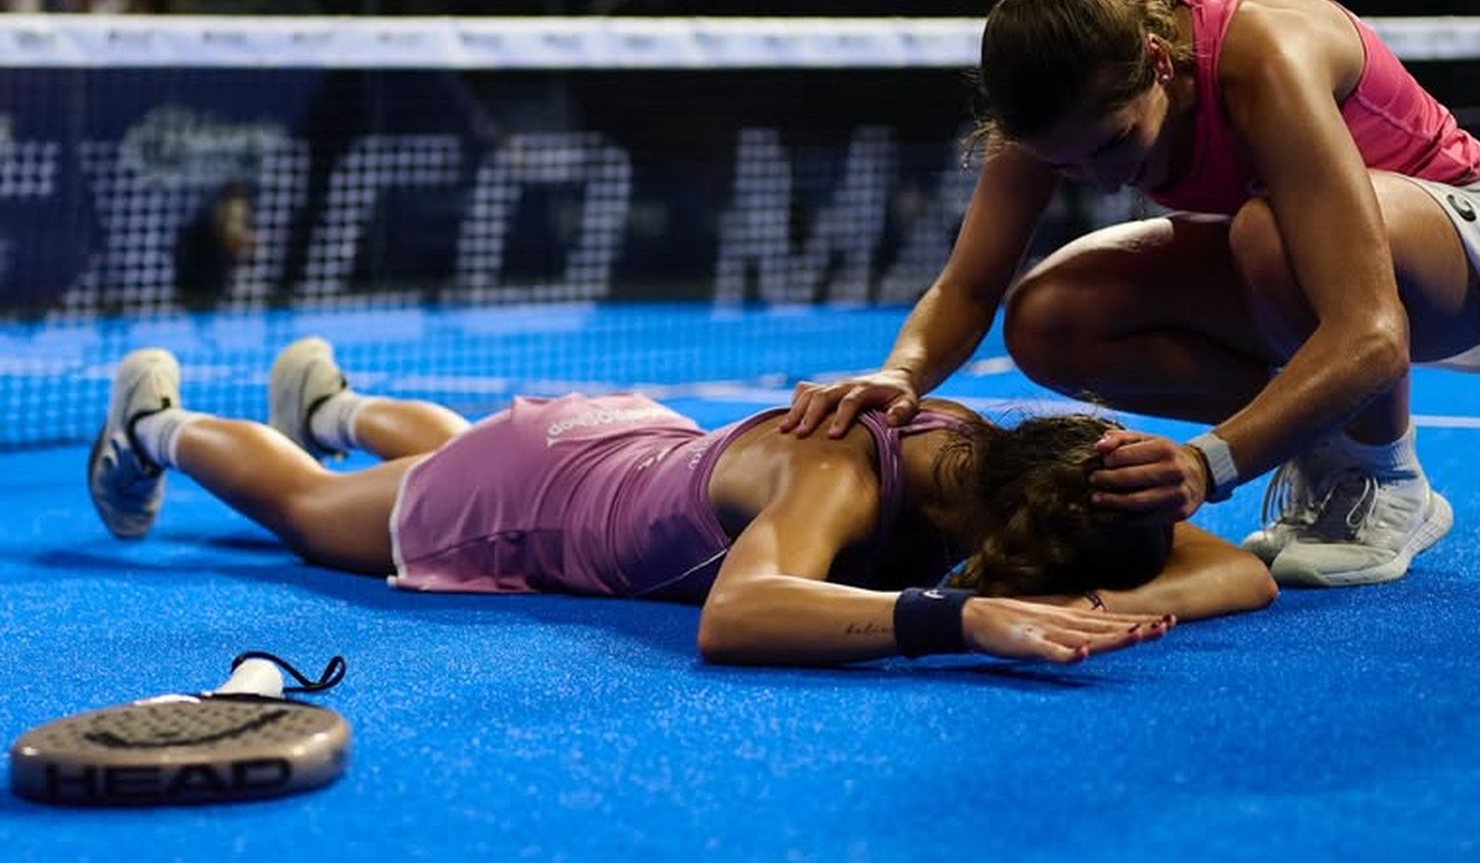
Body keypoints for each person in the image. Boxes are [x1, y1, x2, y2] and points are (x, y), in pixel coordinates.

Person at [783, 0, 1480, 588]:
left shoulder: (1261, 58)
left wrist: (1209, 463)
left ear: (1157, 62)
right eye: (1071, 167)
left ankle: (1388, 479)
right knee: (1050, 320)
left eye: (1113, 146)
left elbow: (1372, 332)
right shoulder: (1053, 103)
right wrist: (900, 373)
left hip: (1463, 243)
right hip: (1298, 263)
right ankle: (1323, 439)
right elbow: (970, 286)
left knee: (1266, 235)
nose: (1108, 180)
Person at [87, 338, 1277, 668]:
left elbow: (1243, 570)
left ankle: (338, 399)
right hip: (537, 498)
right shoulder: (838, 478)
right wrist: (957, 619)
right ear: (992, 539)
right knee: (309, 516)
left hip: (628, 441)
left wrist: (1096, 594)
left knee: (440, 454)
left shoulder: (996, 459)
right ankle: (154, 423)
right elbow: (739, 613)